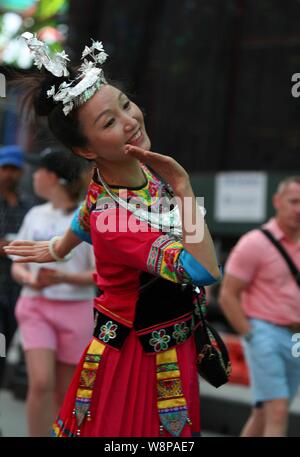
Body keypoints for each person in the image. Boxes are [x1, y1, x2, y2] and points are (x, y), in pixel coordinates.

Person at [5, 34, 221, 437]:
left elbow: (84, 215)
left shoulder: (125, 174)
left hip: (166, 338)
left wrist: (58, 247)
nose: (130, 121)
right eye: (109, 122)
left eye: (125, 104)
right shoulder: (117, 217)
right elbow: (203, 269)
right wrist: (185, 190)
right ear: (87, 151)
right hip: (139, 358)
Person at [10, 147, 95, 437]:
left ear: (54, 177)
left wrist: (62, 277)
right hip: (35, 306)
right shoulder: (35, 214)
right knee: (41, 383)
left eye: (39, 171)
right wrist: (28, 278)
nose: (33, 176)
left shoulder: (88, 217)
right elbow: (17, 264)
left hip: (77, 311)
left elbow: (101, 274)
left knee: (65, 392)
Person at [219, 176, 300, 437]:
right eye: (294, 201)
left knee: (265, 411)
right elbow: (228, 295)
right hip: (264, 333)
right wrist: (251, 335)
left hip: (297, 338)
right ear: (277, 202)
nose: (299, 208)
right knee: (277, 411)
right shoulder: (255, 243)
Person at [0, 145, 31, 390]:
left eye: (14, 169)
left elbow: (30, 244)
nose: (9, 174)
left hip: (14, 289)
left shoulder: (26, 206)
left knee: (7, 339)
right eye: (5, 168)